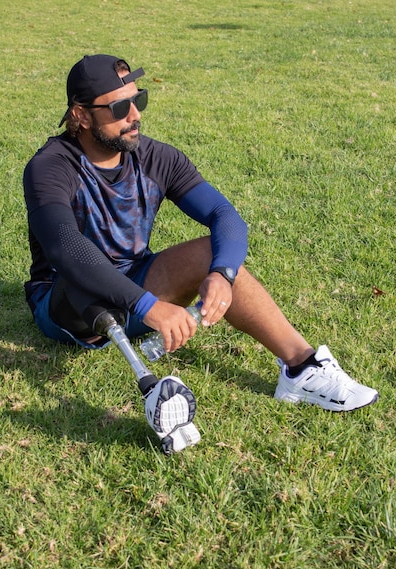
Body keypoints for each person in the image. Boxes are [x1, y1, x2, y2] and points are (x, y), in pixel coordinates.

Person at [23, 54, 378, 452]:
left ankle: (301, 368)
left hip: (134, 281)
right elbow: (66, 250)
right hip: (67, 303)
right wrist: (148, 306)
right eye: (120, 107)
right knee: (78, 274)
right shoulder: (51, 167)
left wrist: (222, 274)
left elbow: (224, 215)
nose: (135, 114)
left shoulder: (156, 157)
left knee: (212, 253)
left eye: (138, 99)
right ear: (82, 116)